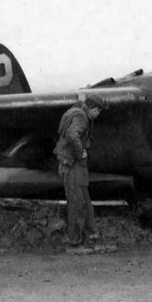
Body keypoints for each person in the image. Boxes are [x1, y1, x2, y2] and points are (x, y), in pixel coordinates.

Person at [54, 95, 106, 246]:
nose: (98, 114)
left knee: (84, 202)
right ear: (93, 108)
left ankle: (91, 235)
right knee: (77, 204)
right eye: (98, 110)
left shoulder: (77, 112)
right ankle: (74, 240)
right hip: (72, 165)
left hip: (74, 165)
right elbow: (72, 135)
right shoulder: (82, 118)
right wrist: (80, 153)